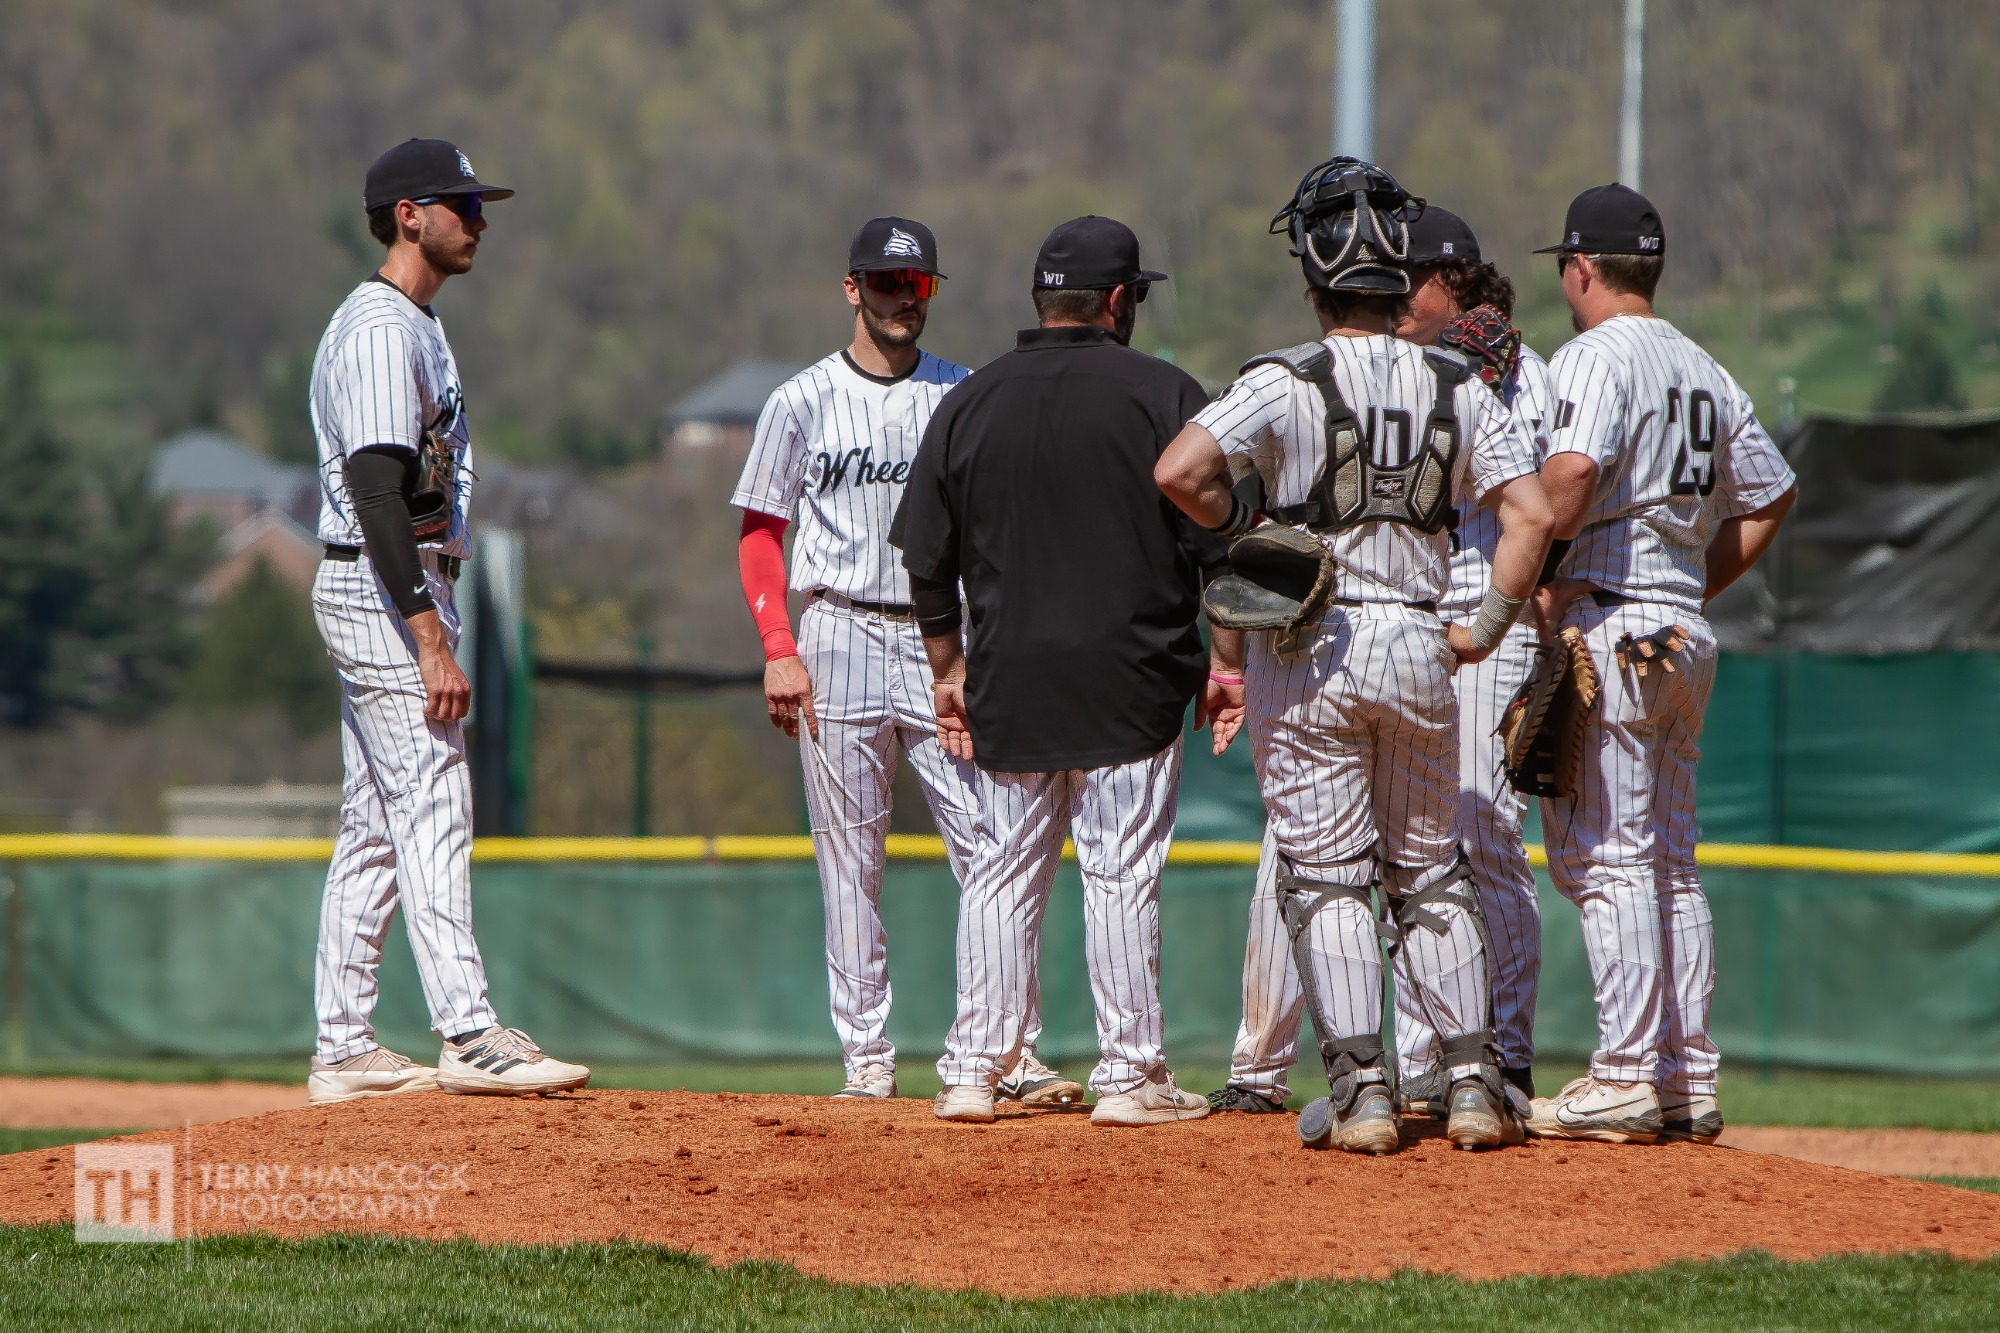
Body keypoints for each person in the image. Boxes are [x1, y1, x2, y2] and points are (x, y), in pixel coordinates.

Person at [1156, 159, 1554, 1154]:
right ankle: (1473, 1086)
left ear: (1312, 277)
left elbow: (1179, 470)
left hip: (1313, 641)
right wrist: (1484, 628)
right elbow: (1533, 514)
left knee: (1327, 876)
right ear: (1396, 280)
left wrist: (1240, 524)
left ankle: (1363, 1096)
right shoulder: (1457, 382)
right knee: (1429, 871)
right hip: (1421, 633)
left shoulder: (1283, 378)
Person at [730, 216, 1083, 1104]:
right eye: (887, 282)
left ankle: (1009, 1051)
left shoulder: (961, 392)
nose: (903, 298)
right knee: (849, 860)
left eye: (917, 283)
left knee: (994, 845)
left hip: (943, 644)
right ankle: (866, 1058)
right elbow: (761, 533)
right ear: (852, 288)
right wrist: (778, 647)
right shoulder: (802, 399)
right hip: (838, 629)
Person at [892, 216, 1224, 1127]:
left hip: (1012, 677)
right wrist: (1228, 663)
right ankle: (1129, 1076)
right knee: (1118, 873)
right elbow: (1219, 548)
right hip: (1134, 675)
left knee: (1001, 873)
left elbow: (926, 560)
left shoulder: (970, 400)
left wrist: (948, 668)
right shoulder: (1164, 394)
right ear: (1118, 300)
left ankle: (972, 1071)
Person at [307, 138, 589, 1105]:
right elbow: (377, 491)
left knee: (376, 825)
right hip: (386, 588)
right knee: (433, 797)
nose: (479, 220)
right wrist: (428, 634)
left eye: (481, 206)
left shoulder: (416, 322)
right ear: (408, 215)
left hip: (391, 582)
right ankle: (469, 1032)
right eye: (461, 205)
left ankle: (343, 1045)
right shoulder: (380, 329)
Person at [1523, 184, 1796, 1144]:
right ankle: (1686, 1078)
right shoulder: (1703, 366)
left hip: (1613, 624)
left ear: (1580, 268)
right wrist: (1690, 585)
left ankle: (1625, 1076)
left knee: (1607, 857)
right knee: (1671, 860)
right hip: (1680, 630)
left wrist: (1531, 573)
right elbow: (1770, 493)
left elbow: (1571, 474)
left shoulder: (1593, 356)